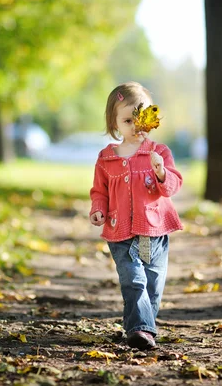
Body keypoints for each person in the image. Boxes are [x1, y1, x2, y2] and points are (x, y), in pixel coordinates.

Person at [89, 81, 183, 350]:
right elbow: (100, 191)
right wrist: (98, 209)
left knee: (152, 284)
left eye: (140, 118)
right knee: (134, 279)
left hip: (153, 231)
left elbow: (172, 186)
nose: (135, 126)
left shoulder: (159, 153)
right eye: (127, 120)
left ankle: (140, 328)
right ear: (115, 123)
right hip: (121, 233)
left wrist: (162, 172)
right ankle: (141, 329)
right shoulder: (107, 158)